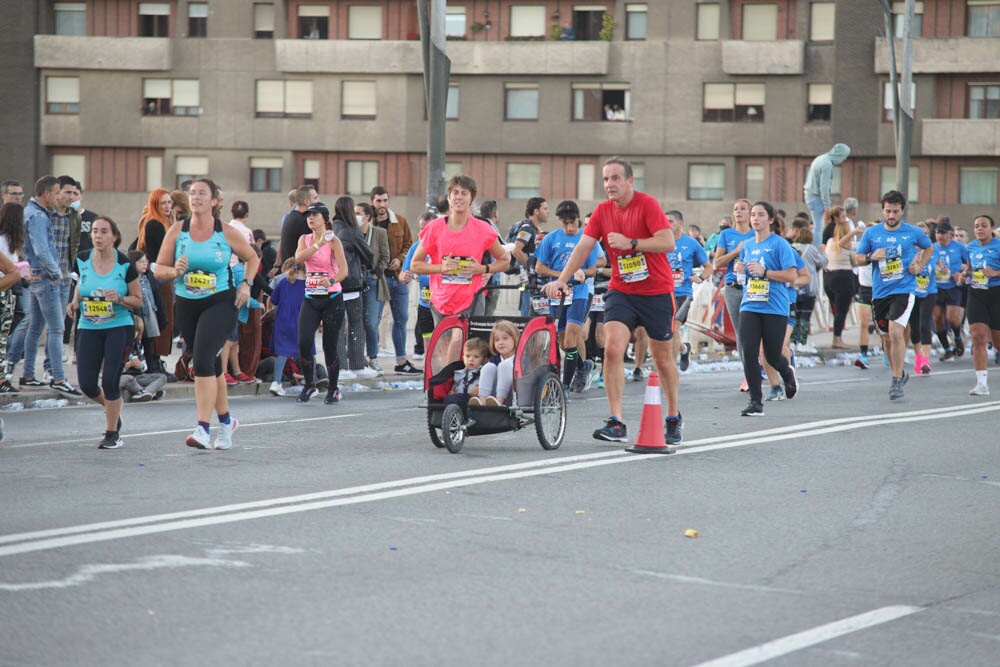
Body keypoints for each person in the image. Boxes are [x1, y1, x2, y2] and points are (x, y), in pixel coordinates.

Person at [542, 157, 683, 446]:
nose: (609, 184)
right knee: (612, 349)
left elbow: (667, 242)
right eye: (605, 179)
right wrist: (561, 279)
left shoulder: (647, 205)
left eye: (615, 178)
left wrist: (633, 243)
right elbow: (583, 247)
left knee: (662, 359)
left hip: (656, 291)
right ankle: (616, 421)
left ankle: (672, 417)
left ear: (630, 181)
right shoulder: (603, 212)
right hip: (623, 291)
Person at [154, 178, 259, 450]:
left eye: (202, 193)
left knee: (200, 361)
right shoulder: (178, 231)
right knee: (211, 367)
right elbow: (159, 270)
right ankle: (226, 422)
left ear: (214, 201)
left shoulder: (225, 232)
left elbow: (253, 258)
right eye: (192, 193)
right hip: (188, 304)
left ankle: (202, 428)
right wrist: (175, 271)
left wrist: (246, 284)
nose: (196, 197)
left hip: (221, 302)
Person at [67, 216, 141, 449]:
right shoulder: (82, 259)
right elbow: (82, 283)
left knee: (110, 381)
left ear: (114, 237)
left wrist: (119, 298)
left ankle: (112, 434)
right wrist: (75, 301)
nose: (98, 236)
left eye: (104, 232)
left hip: (118, 326)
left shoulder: (125, 264)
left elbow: (137, 301)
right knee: (87, 385)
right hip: (88, 326)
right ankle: (113, 410)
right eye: (95, 232)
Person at [854, 190, 933, 400]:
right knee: (886, 338)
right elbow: (858, 259)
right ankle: (899, 373)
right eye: (888, 211)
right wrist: (872, 256)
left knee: (896, 332)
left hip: (904, 289)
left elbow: (929, 248)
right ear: (882, 210)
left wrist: (919, 265)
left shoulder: (913, 232)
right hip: (880, 293)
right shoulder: (872, 234)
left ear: (902, 211)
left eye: (895, 211)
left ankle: (896, 380)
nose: (891, 215)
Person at [411, 175, 510, 324]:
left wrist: (483, 269)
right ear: (449, 198)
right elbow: (415, 265)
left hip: (472, 300)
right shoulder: (434, 228)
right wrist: (440, 268)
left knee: (463, 343)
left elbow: (505, 261)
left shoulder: (483, 229)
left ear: (471, 198)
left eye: (464, 193)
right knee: (445, 346)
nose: (459, 197)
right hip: (441, 302)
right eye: (455, 193)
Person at [732, 202, 800, 415]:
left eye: (760, 215)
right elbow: (746, 278)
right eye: (753, 215)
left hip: (775, 307)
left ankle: (787, 373)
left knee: (771, 356)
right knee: (749, 352)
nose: (755, 219)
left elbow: (791, 275)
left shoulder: (780, 245)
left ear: (770, 220)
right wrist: (740, 270)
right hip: (750, 304)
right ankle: (756, 402)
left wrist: (765, 272)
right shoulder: (747, 246)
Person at [21, 176, 81, 395]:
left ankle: (28, 374)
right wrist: (56, 273)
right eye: (57, 192)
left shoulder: (33, 212)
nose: (59, 197)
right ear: (47, 194)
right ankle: (58, 377)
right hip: (46, 278)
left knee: (36, 327)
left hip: (41, 276)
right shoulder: (38, 215)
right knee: (57, 328)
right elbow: (41, 249)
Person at [534, 200, 601, 392]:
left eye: (573, 223)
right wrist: (561, 277)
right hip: (557, 295)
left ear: (579, 219)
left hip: (579, 294)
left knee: (572, 337)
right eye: (566, 223)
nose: (570, 228)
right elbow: (540, 267)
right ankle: (583, 366)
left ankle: (564, 386)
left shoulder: (586, 239)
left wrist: (583, 272)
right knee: (564, 343)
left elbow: (593, 268)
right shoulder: (551, 239)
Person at [294, 201, 349, 404]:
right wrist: (318, 244)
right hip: (311, 298)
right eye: (308, 215)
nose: (310, 218)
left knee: (329, 346)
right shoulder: (305, 239)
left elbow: (344, 270)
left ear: (324, 219)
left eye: (315, 215)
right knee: (303, 342)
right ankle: (310, 385)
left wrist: (332, 280)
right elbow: (299, 258)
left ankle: (333, 388)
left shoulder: (335, 241)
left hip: (332, 298)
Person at [370, 186, 420, 374]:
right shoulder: (369, 223)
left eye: (385, 200)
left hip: (398, 278)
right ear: (372, 202)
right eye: (378, 201)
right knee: (373, 321)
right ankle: (372, 359)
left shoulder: (399, 221)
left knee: (401, 320)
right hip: (377, 279)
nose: (382, 205)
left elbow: (409, 245)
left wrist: (399, 259)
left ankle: (401, 361)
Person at [333, 196, 376, 379]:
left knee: (337, 325)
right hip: (351, 283)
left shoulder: (332, 229)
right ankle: (356, 365)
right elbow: (368, 254)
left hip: (335, 282)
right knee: (355, 324)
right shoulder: (352, 231)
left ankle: (340, 365)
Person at [714, 199, 755, 391]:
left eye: (743, 209)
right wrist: (737, 251)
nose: (739, 212)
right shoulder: (726, 234)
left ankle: (763, 366)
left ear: (750, 213)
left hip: (755, 286)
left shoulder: (757, 234)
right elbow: (717, 263)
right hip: (733, 287)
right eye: (736, 209)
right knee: (742, 333)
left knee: (758, 331)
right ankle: (749, 374)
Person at [665, 209, 712, 372]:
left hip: (682, 292)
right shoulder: (661, 242)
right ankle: (684, 349)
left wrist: (701, 277)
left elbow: (708, 266)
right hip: (663, 293)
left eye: (670, 221)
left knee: (675, 326)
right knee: (666, 329)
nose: (667, 224)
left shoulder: (691, 243)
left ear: (680, 223)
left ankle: (670, 369)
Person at [135, 188, 176, 375]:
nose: (168, 207)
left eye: (169, 202)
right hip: (158, 276)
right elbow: (163, 254)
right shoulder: (155, 224)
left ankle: (157, 361)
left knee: (162, 320)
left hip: (161, 275)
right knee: (159, 320)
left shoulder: (162, 223)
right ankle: (154, 362)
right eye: (164, 203)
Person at [966, 214, 1000, 396]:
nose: (980, 229)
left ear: (991, 229)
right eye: (977, 226)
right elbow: (970, 267)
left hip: (996, 294)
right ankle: (981, 384)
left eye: (984, 226)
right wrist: (965, 273)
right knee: (978, 336)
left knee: (997, 341)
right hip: (976, 292)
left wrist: (995, 272)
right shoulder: (970, 247)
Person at [356, 201, 391, 375]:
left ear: (367, 216)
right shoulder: (352, 233)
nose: (355, 216)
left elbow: (385, 256)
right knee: (355, 321)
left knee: (371, 321)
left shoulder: (379, 233)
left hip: (372, 279)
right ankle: (357, 356)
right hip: (355, 281)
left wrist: (379, 270)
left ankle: (373, 356)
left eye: (358, 213)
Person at [932, 219, 970, 361]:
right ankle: (947, 349)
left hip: (953, 287)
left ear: (950, 234)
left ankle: (958, 336)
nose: (940, 236)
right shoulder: (932, 248)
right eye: (937, 233)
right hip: (936, 287)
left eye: (943, 233)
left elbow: (970, 263)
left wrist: (963, 273)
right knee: (937, 319)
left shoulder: (959, 247)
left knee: (952, 319)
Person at [0, 202, 27, 393]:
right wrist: (19, 273)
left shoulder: (10, 242)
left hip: (7, 292)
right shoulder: (4, 241)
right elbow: (11, 270)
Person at [401, 211, 436, 360]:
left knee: (443, 338)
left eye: (427, 228)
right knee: (426, 335)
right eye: (421, 228)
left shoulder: (444, 246)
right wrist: (405, 276)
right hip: (425, 301)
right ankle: (429, 367)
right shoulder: (416, 248)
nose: (423, 232)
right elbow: (403, 274)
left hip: (444, 302)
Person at [507, 197, 549, 317]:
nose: (548, 212)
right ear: (536, 211)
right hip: (527, 279)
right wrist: (531, 267)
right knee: (527, 315)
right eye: (545, 209)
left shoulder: (536, 229)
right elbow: (516, 250)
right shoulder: (527, 228)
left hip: (534, 280)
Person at [803, 143, 851, 245]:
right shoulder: (827, 164)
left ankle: (817, 247)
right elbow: (823, 187)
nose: (843, 160)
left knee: (817, 225)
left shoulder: (820, 158)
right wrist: (827, 205)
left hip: (810, 195)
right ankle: (818, 249)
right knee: (819, 227)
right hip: (816, 197)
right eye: (844, 157)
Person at [790, 228, 828, 353]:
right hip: (809, 287)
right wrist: (823, 252)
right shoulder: (811, 248)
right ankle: (802, 342)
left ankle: (792, 342)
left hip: (794, 286)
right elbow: (822, 262)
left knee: (795, 316)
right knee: (805, 316)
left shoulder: (792, 247)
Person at [909, 221, 939, 376]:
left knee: (924, 325)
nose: (923, 237)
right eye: (920, 234)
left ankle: (926, 361)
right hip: (912, 292)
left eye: (925, 234)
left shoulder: (934, 251)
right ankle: (918, 357)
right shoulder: (908, 251)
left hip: (929, 292)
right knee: (914, 328)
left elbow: (939, 267)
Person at [823, 206, 855, 349]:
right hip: (844, 276)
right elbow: (855, 261)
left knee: (836, 308)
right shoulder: (848, 245)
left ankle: (836, 337)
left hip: (829, 276)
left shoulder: (830, 242)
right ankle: (837, 338)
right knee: (842, 311)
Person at [472, 320, 519, 406]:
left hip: (514, 395)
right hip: (492, 397)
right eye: (497, 340)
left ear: (515, 338)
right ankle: (482, 403)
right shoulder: (494, 359)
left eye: (505, 338)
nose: (501, 342)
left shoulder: (520, 358)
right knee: (488, 367)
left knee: (504, 366)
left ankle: (499, 403)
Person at [119, 318, 167, 402]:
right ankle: (150, 393)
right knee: (128, 378)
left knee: (162, 377)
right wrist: (128, 365)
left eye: (137, 331)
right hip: (123, 376)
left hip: (137, 376)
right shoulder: (119, 343)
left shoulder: (137, 345)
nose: (135, 334)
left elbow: (144, 367)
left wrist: (140, 365)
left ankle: (143, 392)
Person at [279, 185, 317, 265]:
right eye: (315, 198)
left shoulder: (291, 217)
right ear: (306, 202)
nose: (318, 201)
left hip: (291, 270)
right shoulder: (303, 221)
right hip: (297, 272)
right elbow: (315, 249)